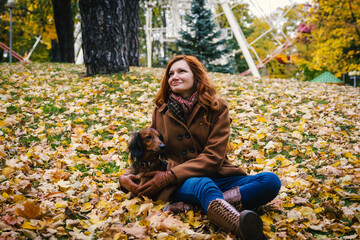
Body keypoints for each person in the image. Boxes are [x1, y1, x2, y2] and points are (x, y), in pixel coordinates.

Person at [119, 55, 281, 240]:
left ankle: (191, 207)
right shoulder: (160, 109)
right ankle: (238, 225)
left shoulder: (217, 108)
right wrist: (124, 177)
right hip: (181, 182)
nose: (174, 76)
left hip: (216, 175)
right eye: (170, 73)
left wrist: (169, 175)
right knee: (203, 184)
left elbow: (213, 156)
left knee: (270, 181)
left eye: (181, 71)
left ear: (196, 76)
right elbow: (149, 150)